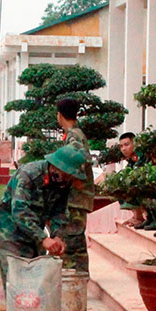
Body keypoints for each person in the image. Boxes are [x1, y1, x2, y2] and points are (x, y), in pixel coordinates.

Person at [0, 145, 87, 288]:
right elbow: (20, 210)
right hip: (11, 235)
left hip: (35, 235)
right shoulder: (28, 175)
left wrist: (57, 236)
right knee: (16, 285)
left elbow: (59, 211)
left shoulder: (62, 182)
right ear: (56, 167)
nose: (69, 179)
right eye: (68, 174)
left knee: (35, 285)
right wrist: (43, 238)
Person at [51, 98, 96, 273]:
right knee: (76, 240)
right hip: (78, 196)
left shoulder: (74, 136)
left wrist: (69, 177)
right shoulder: (75, 133)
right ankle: (79, 277)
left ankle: (75, 277)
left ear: (59, 115)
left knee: (71, 240)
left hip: (76, 197)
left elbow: (82, 158)